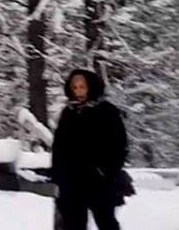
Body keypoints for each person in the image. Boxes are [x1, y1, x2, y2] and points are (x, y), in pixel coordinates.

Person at [50, 68, 130, 230]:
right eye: (75, 87)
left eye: (82, 87)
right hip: (71, 181)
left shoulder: (107, 111)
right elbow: (59, 146)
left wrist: (105, 170)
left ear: (91, 87)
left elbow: (119, 145)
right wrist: (58, 173)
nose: (78, 91)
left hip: (99, 181)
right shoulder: (69, 112)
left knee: (106, 222)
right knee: (72, 224)